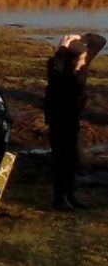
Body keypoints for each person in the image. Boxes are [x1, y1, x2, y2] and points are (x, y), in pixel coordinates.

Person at [45, 32, 105, 211]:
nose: (86, 58)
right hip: (58, 121)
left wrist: (78, 38)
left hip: (72, 120)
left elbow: (100, 41)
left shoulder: (82, 64)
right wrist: (63, 46)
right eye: (82, 56)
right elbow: (55, 64)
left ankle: (70, 196)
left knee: (72, 159)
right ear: (72, 58)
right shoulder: (58, 70)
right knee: (61, 160)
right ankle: (60, 199)